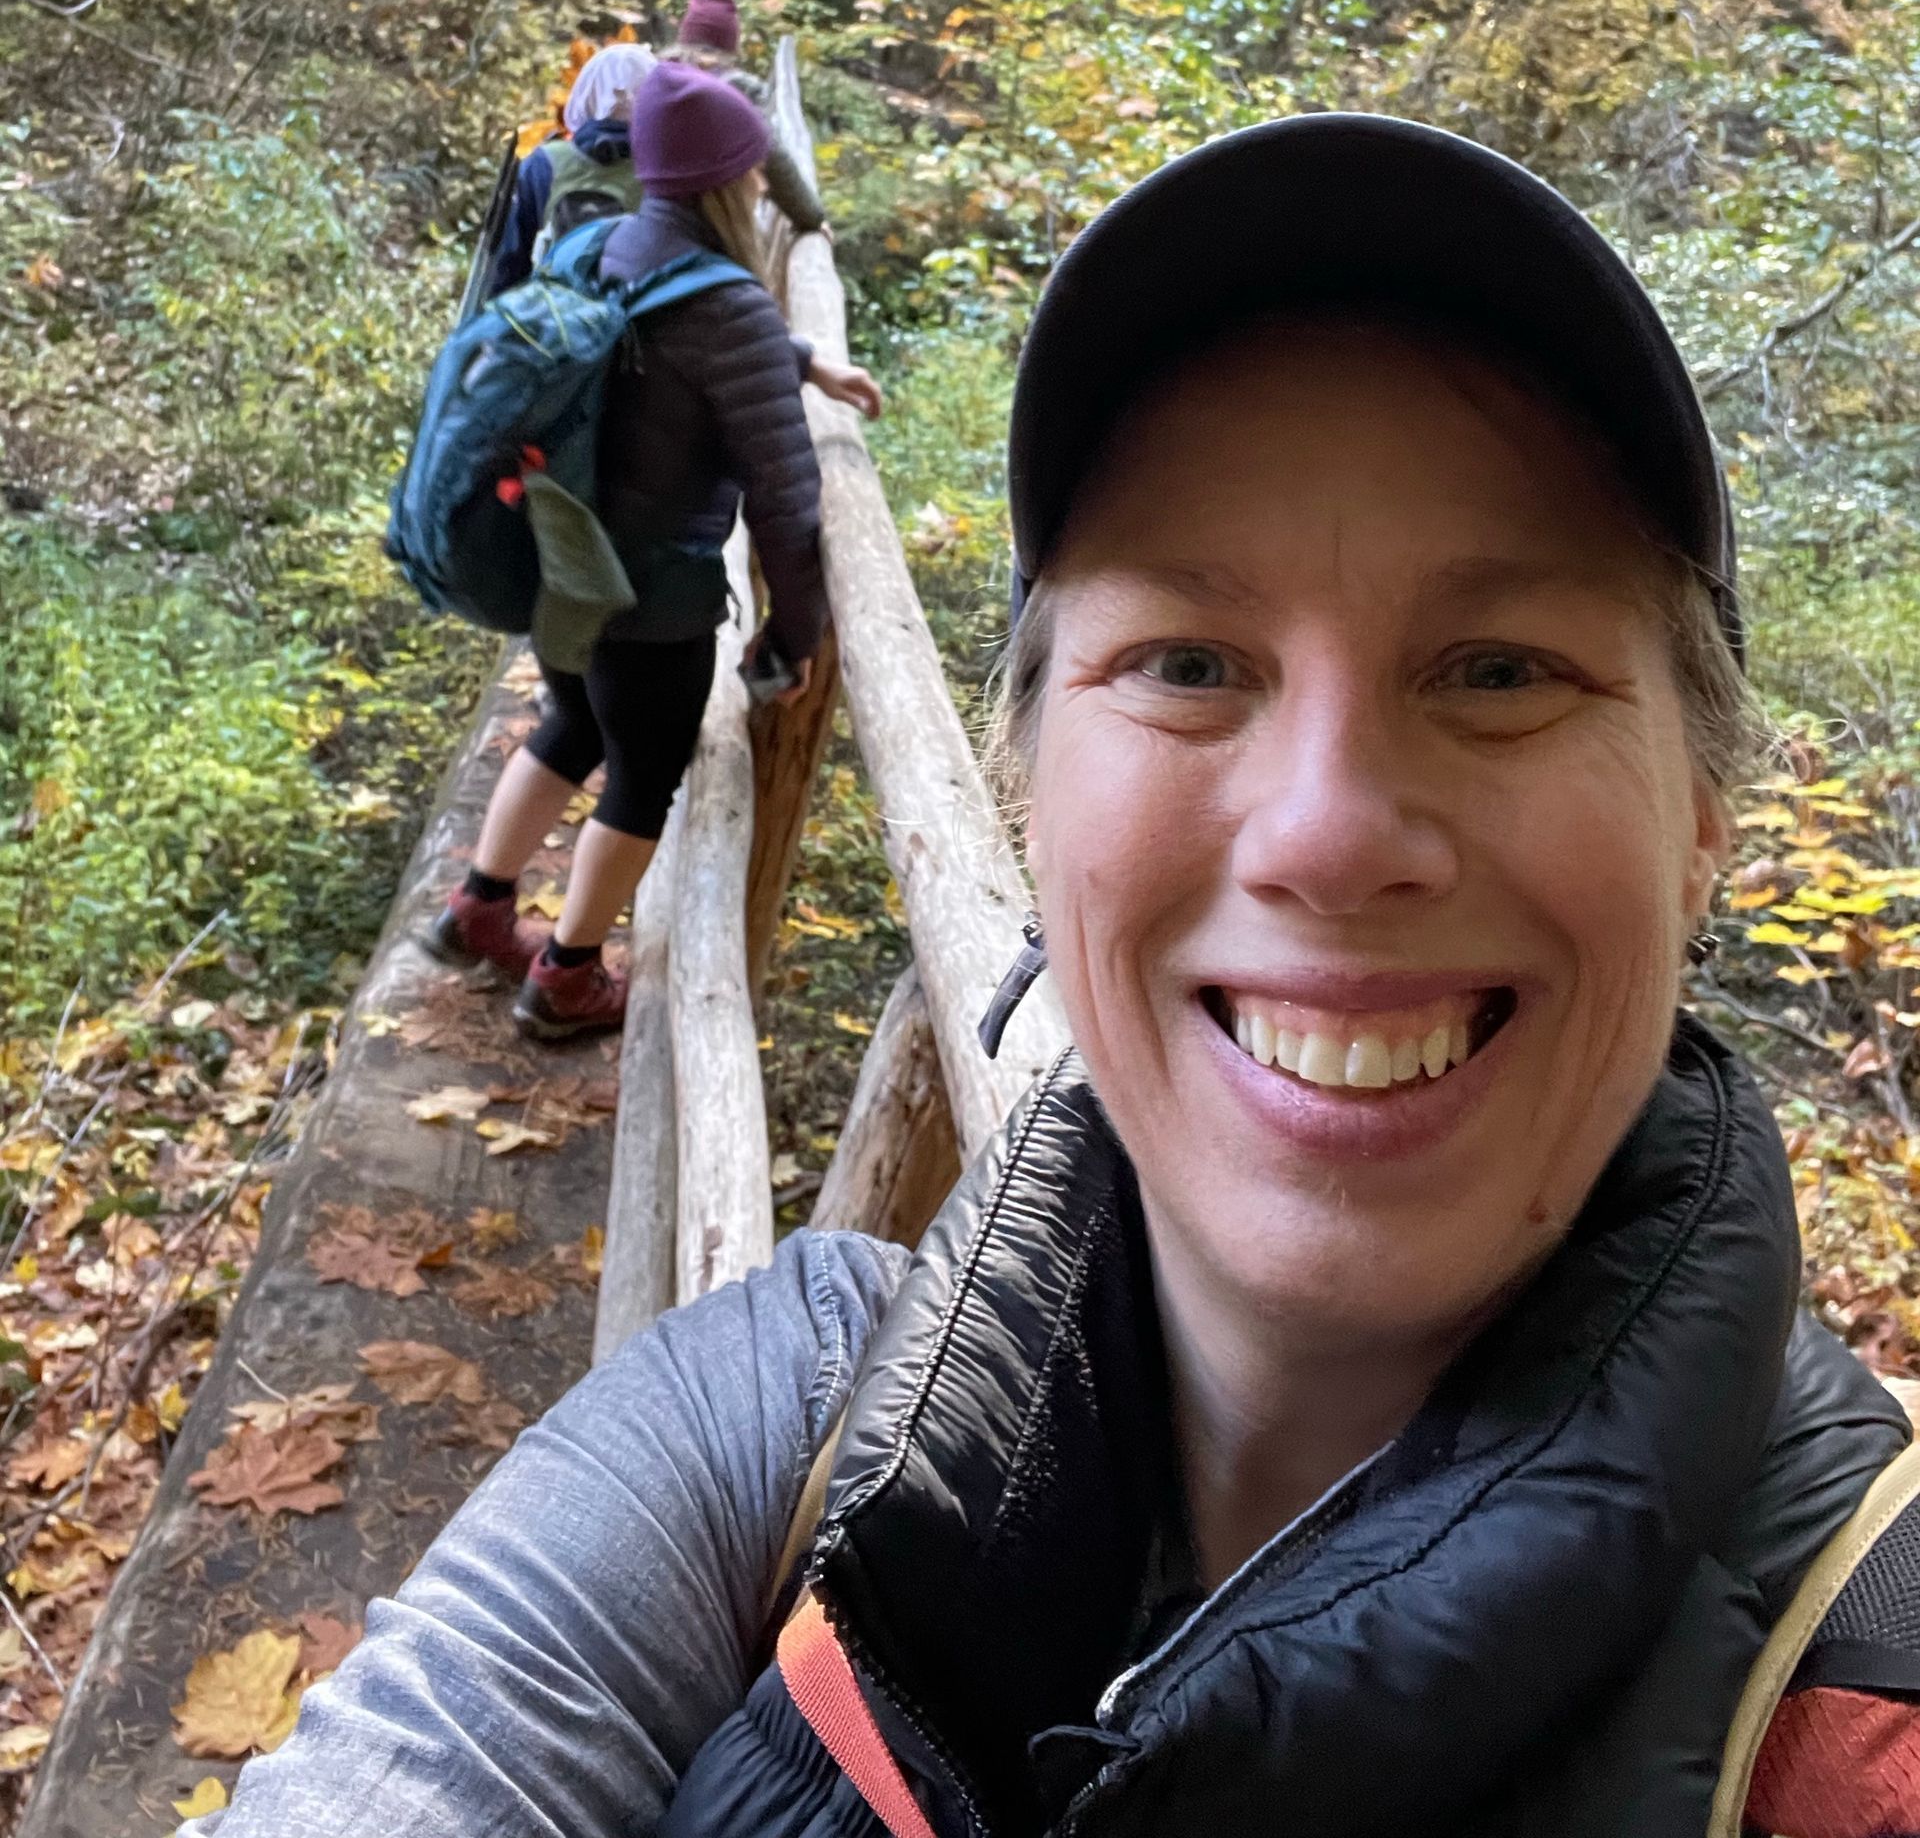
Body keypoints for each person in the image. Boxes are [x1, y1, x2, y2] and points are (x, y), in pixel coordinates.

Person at [208, 114, 1918, 1836]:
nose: (1326, 832)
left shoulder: (1875, 1666)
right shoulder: (776, 1420)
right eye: (1188, 662)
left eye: (1499, 671)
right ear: (1028, 789)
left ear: (1706, 822)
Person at [430, 62, 882, 1040]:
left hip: (562, 565)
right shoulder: (733, 308)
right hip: (653, 599)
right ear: (729, 181)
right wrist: (793, 635)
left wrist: (811, 365)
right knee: (643, 773)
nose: (760, 182)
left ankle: (477, 908)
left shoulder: (598, 244)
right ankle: (566, 977)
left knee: (570, 724)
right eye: (752, 168)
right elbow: (785, 497)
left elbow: (680, 334)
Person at [483, 43, 659, 301]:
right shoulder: (660, 172)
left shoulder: (543, 163)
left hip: (550, 318)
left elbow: (506, 270)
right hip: (631, 317)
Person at [666, 0, 827, 236]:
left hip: (656, 223)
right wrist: (812, 218)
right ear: (731, 48)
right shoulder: (734, 94)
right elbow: (772, 158)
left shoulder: (654, 85)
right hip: (712, 230)